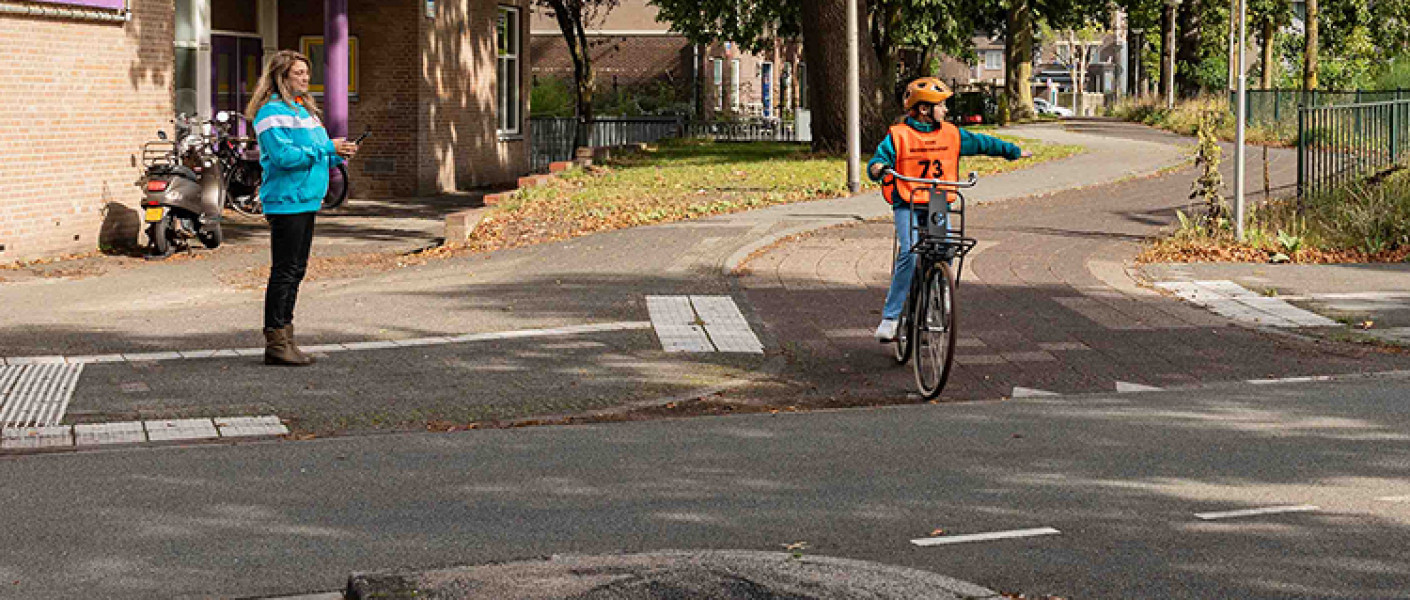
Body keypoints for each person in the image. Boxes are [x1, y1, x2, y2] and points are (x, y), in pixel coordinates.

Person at [866, 77, 1029, 342]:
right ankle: (891, 317)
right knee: (908, 251)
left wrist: (1011, 151)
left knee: (945, 249)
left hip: (937, 202)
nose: (946, 110)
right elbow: (879, 159)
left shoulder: (951, 133)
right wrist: (877, 168)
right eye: (941, 105)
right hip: (907, 202)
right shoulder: (899, 135)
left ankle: (934, 301)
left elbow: (982, 143)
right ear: (923, 110)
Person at [244, 50, 359, 366]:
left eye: (307, 73)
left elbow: (314, 154)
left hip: (307, 199)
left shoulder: (307, 113)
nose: (306, 79)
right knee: (284, 271)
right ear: (281, 77)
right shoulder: (269, 114)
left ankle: (286, 336)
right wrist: (326, 146)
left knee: (297, 270)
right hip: (286, 201)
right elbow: (283, 158)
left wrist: (339, 153)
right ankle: (276, 340)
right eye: (298, 73)